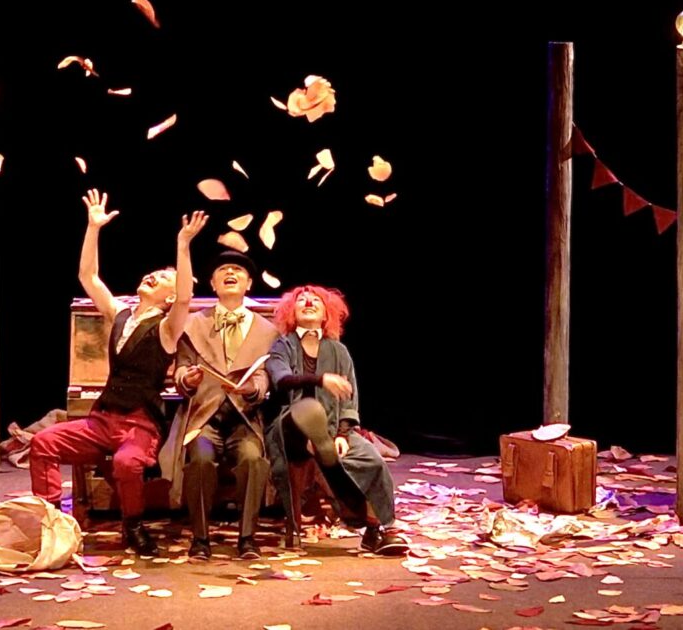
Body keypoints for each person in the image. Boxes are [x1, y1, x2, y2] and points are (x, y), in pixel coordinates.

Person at [29, 189, 207, 557]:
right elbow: (88, 275)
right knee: (43, 442)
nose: (151, 276)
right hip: (102, 420)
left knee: (127, 462)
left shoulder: (167, 327)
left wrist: (183, 244)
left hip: (139, 423)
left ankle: (133, 524)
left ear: (169, 297)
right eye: (153, 273)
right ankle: (50, 520)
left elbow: (186, 298)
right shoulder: (120, 314)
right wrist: (93, 228)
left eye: (162, 277)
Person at [266, 285, 407, 556]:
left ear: (326, 313)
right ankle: (315, 436)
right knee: (304, 412)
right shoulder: (283, 346)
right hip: (289, 429)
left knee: (371, 459)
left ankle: (380, 529)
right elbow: (281, 379)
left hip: (333, 429)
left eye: (315, 300)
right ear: (291, 313)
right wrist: (320, 380)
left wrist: (343, 433)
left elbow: (349, 400)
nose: (308, 302)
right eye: (301, 300)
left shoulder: (339, 351)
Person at [158, 250, 278, 561]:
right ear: (212, 284)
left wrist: (253, 388)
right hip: (204, 416)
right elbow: (181, 368)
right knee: (200, 457)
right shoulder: (193, 324)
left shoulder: (268, 330)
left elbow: (266, 373)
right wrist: (187, 378)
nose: (230, 273)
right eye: (223, 270)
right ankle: (200, 539)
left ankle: (247, 538)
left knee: (252, 459)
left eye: (238, 270)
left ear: (248, 283)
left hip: (244, 418)